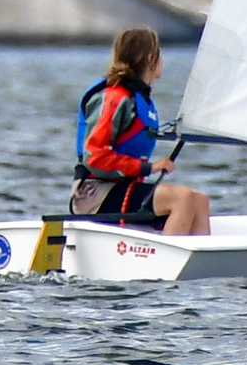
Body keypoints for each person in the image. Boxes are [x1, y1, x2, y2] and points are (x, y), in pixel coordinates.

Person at [73, 26, 209, 235]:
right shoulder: (115, 98)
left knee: (200, 201)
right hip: (93, 194)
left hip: (119, 189)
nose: (163, 60)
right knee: (182, 198)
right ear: (148, 58)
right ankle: (165, 263)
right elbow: (95, 157)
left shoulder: (139, 99)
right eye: (159, 54)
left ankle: (201, 266)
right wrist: (148, 168)